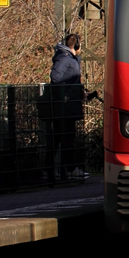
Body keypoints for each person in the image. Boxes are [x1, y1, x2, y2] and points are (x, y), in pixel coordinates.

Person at [49, 34, 85, 180]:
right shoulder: (65, 59)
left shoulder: (69, 59)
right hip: (66, 105)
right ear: (77, 46)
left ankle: (58, 169)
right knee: (66, 137)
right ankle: (69, 169)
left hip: (69, 103)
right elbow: (56, 78)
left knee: (61, 137)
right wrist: (65, 94)